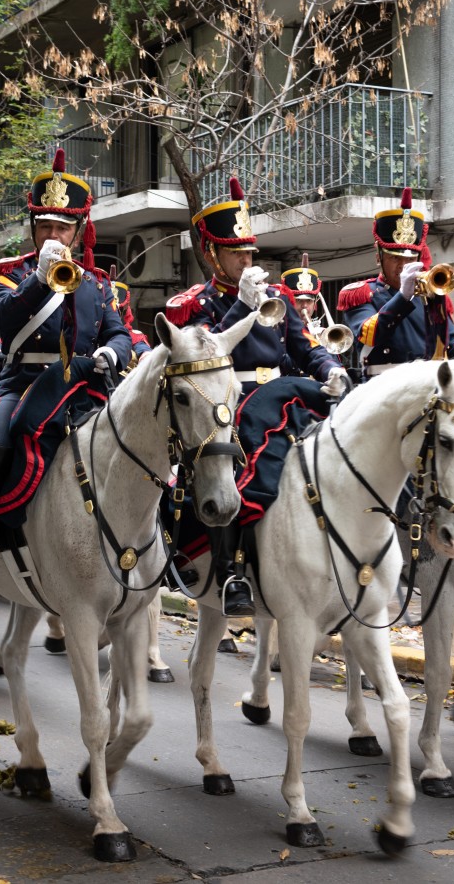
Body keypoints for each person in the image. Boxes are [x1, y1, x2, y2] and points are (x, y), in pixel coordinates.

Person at [0, 148, 132, 601]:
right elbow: (3, 321)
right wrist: (41, 278)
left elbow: (120, 333)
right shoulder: (12, 276)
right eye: (45, 225)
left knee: (139, 442)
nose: (54, 234)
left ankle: (153, 545)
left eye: (62, 227)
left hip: (82, 384)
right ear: (34, 229)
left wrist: (111, 351)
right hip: (24, 382)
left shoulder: (97, 285)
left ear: (77, 230)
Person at [166, 177, 349, 617]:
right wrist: (243, 306)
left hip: (284, 395)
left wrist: (332, 369)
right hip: (227, 400)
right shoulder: (195, 303)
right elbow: (205, 349)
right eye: (236, 252)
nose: (247, 260)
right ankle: (230, 571)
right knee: (224, 467)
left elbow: (307, 347)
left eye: (250, 251)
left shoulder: (280, 298)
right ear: (212, 254)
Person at [337, 187, 454, 379]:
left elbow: (450, 338)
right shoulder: (361, 293)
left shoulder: (429, 294)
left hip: (427, 383)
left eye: (411, 258)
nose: (403, 265)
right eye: (395, 258)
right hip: (382, 385)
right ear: (379, 257)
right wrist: (402, 297)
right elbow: (368, 334)